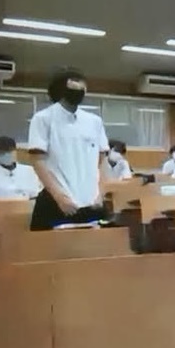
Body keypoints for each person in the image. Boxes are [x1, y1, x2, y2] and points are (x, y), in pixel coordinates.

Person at [27, 68, 109, 230]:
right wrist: (59, 197)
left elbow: (102, 161)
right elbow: (37, 161)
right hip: (56, 201)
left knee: (96, 243)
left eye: (82, 88)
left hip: (91, 201)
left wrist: (101, 193)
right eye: (74, 88)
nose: (79, 92)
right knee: (49, 244)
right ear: (61, 90)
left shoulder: (94, 121)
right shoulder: (43, 118)